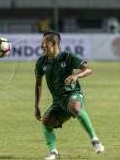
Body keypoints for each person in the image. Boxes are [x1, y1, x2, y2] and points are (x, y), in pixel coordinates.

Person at [34, 31, 104, 160]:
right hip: (58, 101)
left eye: (44, 43)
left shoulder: (67, 56)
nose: (41, 45)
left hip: (73, 94)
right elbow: (38, 83)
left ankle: (95, 141)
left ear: (53, 43)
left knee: (75, 107)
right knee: (46, 121)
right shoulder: (41, 62)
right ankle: (54, 153)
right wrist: (36, 106)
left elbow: (88, 69)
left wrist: (75, 75)